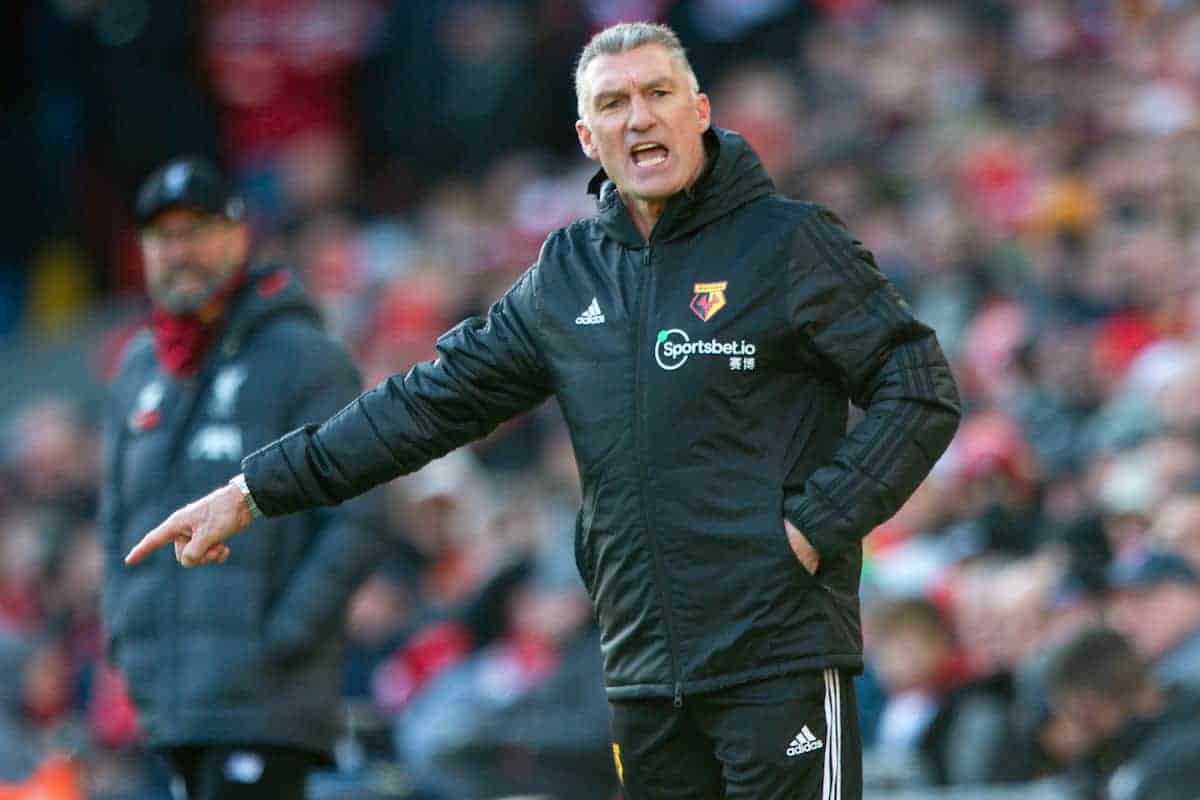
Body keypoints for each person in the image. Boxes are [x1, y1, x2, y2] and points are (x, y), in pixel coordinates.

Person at [126, 23, 960, 800]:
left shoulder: (789, 243)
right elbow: (427, 404)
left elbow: (918, 385)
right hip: (641, 673)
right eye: (612, 103)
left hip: (777, 657)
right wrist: (252, 489)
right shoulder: (568, 273)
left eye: (659, 93)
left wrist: (814, 526)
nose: (640, 118)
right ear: (586, 139)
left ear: (700, 112)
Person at [101, 157, 385, 799]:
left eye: (196, 230)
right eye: (162, 237)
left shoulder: (302, 355)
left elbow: (362, 514)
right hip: (165, 708)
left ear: (238, 236)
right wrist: (124, 636)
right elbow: (115, 519)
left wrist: (277, 639)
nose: (180, 251)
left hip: (265, 709)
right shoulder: (138, 366)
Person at [1045, 626, 1200, 800]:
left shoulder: (1172, 760)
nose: (1070, 729)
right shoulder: (1118, 753)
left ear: (1093, 705)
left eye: (1075, 715)